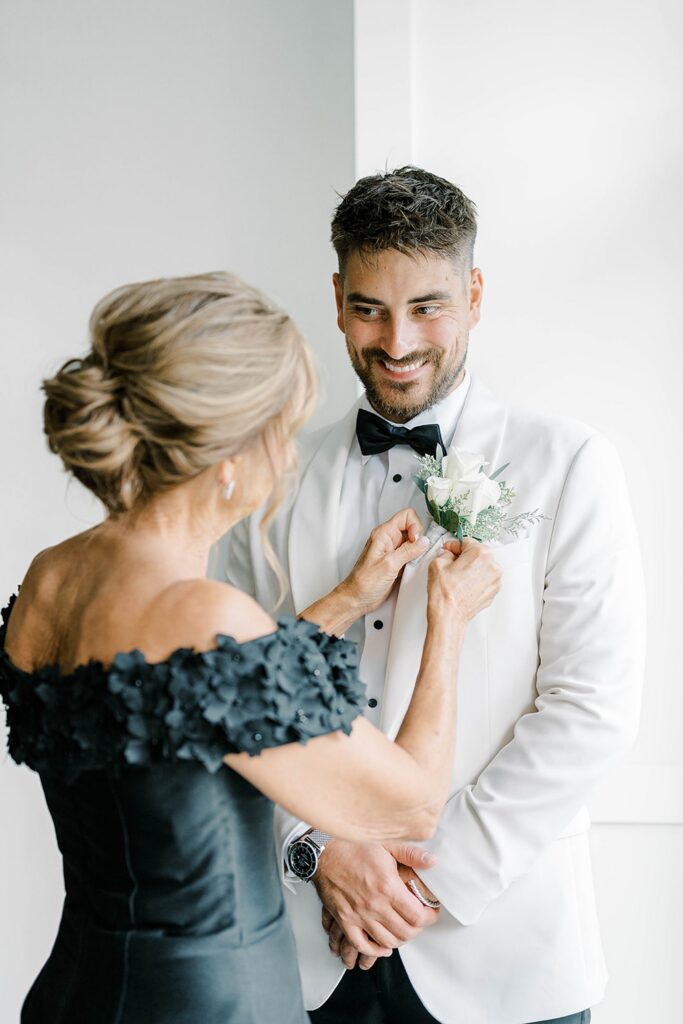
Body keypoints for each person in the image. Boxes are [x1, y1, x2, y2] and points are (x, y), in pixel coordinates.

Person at [0, 272, 501, 1024]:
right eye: (281, 432)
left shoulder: (52, 578)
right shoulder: (206, 614)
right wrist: (448, 621)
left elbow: (186, 700)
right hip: (212, 1003)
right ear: (231, 457)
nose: (288, 459)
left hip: (76, 993)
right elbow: (411, 802)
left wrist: (346, 600)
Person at [219, 168, 647, 1024]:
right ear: (336, 300)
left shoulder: (568, 464)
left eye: (426, 307)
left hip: (504, 954)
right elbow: (232, 696)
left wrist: (422, 881)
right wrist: (316, 850)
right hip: (310, 950)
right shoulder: (269, 480)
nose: (397, 341)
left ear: (474, 295)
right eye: (369, 308)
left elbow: (589, 706)